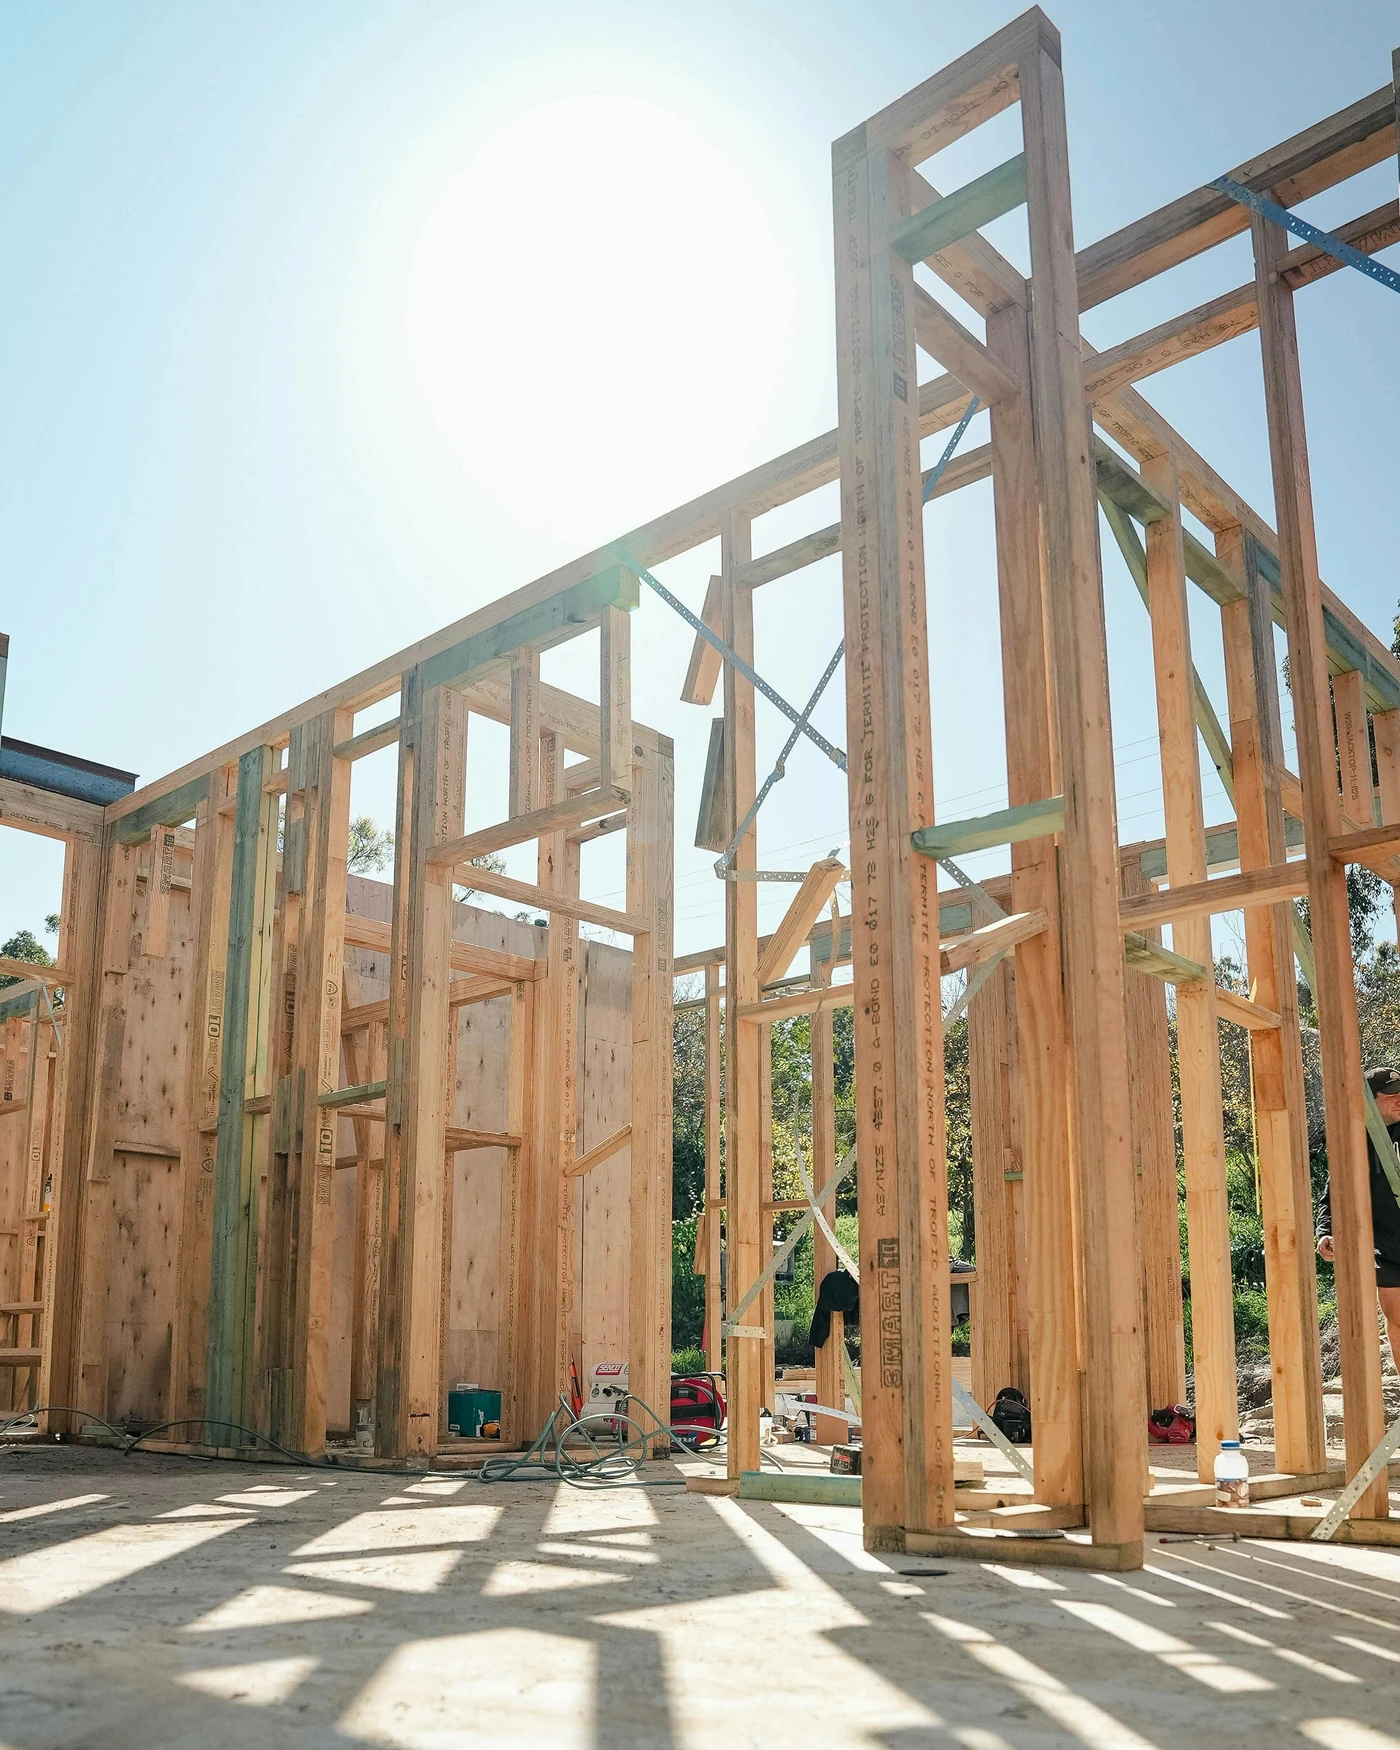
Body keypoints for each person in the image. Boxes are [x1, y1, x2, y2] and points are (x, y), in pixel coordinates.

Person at [1316, 1064, 1400, 1366]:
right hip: (1389, 1249)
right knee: (1398, 1321)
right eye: (1390, 1095)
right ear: (1369, 1100)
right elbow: (1334, 1193)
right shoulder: (1354, 1142)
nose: (1399, 1098)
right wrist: (1325, 1231)